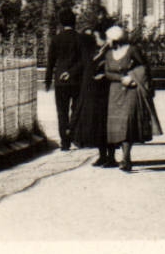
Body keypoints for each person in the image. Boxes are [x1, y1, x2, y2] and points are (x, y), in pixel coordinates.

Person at [100, 26, 160, 172]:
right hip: (115, 92)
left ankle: (126, 158)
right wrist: (121, 78)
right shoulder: (109, 54)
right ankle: (120, 158)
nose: (107, 41)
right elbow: (107, 72)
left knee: (127, 123)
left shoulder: (132, 50)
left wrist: (133, 78)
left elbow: (144, 67)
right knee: (116, 124)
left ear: (115, 39)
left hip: (131, 90)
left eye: (108, 39)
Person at [44, 9, 87, 150]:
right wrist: (72, 72)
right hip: (77, 80)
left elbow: (50, 62)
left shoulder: (56, 39)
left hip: (60, 81)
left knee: (61, 111)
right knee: (76, 109)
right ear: (74, 22)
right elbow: (84, 60)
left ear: (61, 23)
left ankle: (65, 142)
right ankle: (74, 135)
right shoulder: (80, 38)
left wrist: (48, 80)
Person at [74, 21, 115, 165]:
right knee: (98, 124)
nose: (95, 40)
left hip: (106, 91)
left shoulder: (110, 51)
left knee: (106, 124)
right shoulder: (97, 51)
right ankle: (102, 155)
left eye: (96, 37)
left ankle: (111, 157)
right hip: (96, 92)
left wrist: (104, 75)